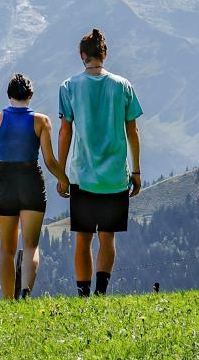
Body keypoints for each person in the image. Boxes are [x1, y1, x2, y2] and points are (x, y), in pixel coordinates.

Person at [57, 28, 144, 296]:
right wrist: (137, 171)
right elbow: (132, 132)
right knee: (108, 238)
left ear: (82, 56)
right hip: (115, 176)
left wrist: (61, 174)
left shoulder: (69, 87)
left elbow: (65, 132)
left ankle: (83, 295)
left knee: (83, 239)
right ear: (104, 54)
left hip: (83, 175)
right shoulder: (123, 86)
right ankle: (101, 292)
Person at [0, 73, 67, 300]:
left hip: (5, 181)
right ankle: (26, 291)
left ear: (9, 95)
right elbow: (49, 161)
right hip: (31, 181)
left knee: (6, 250)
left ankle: (8, 300)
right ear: (31, 95)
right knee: (31, 246)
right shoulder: (41, 121)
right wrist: (64, 179)